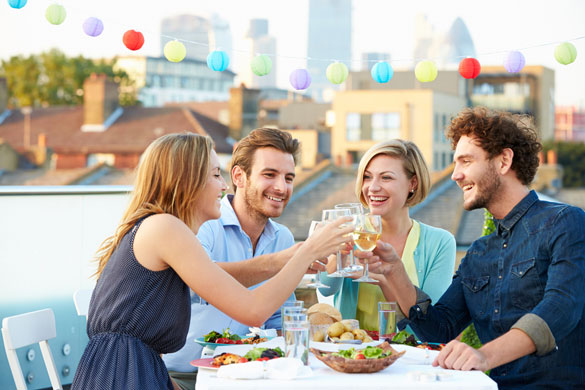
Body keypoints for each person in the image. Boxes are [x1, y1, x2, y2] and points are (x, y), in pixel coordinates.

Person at [71, 133, 352, 390]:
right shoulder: (166, 228)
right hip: (120, 378)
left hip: (134, 373)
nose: (224, 185)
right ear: (187, 180)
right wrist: (307, 251)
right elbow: (253, 310)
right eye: (216, 174)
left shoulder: (162, 228)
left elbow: (143, 341)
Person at [362, 107, 585, 389]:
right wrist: (394, 271)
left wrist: (483, 356)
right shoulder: (479, 252)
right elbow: (437, 328)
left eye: (465, 161)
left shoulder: (565, 222)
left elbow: (561, 308)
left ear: (503, 160)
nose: (455, 175)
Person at [164, 128, 311, 390]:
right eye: (269, 174)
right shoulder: (203, 225)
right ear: (238, 176)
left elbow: (280, 319)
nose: (281, 187)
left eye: (289, 178)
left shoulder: (283, 238)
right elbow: (202, 280)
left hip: (249, 375)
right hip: (184, 377)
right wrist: (285, 261)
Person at [319, 139, 456, 331]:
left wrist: (384, 280)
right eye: (367, 177)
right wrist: (338, 254)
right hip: (354, 354)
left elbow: (429, 326)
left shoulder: (440, 243)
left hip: (413, 355)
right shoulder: (351, 231)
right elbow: (325, 288)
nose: (373, 187)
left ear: (413, 183)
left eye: (386, 178)